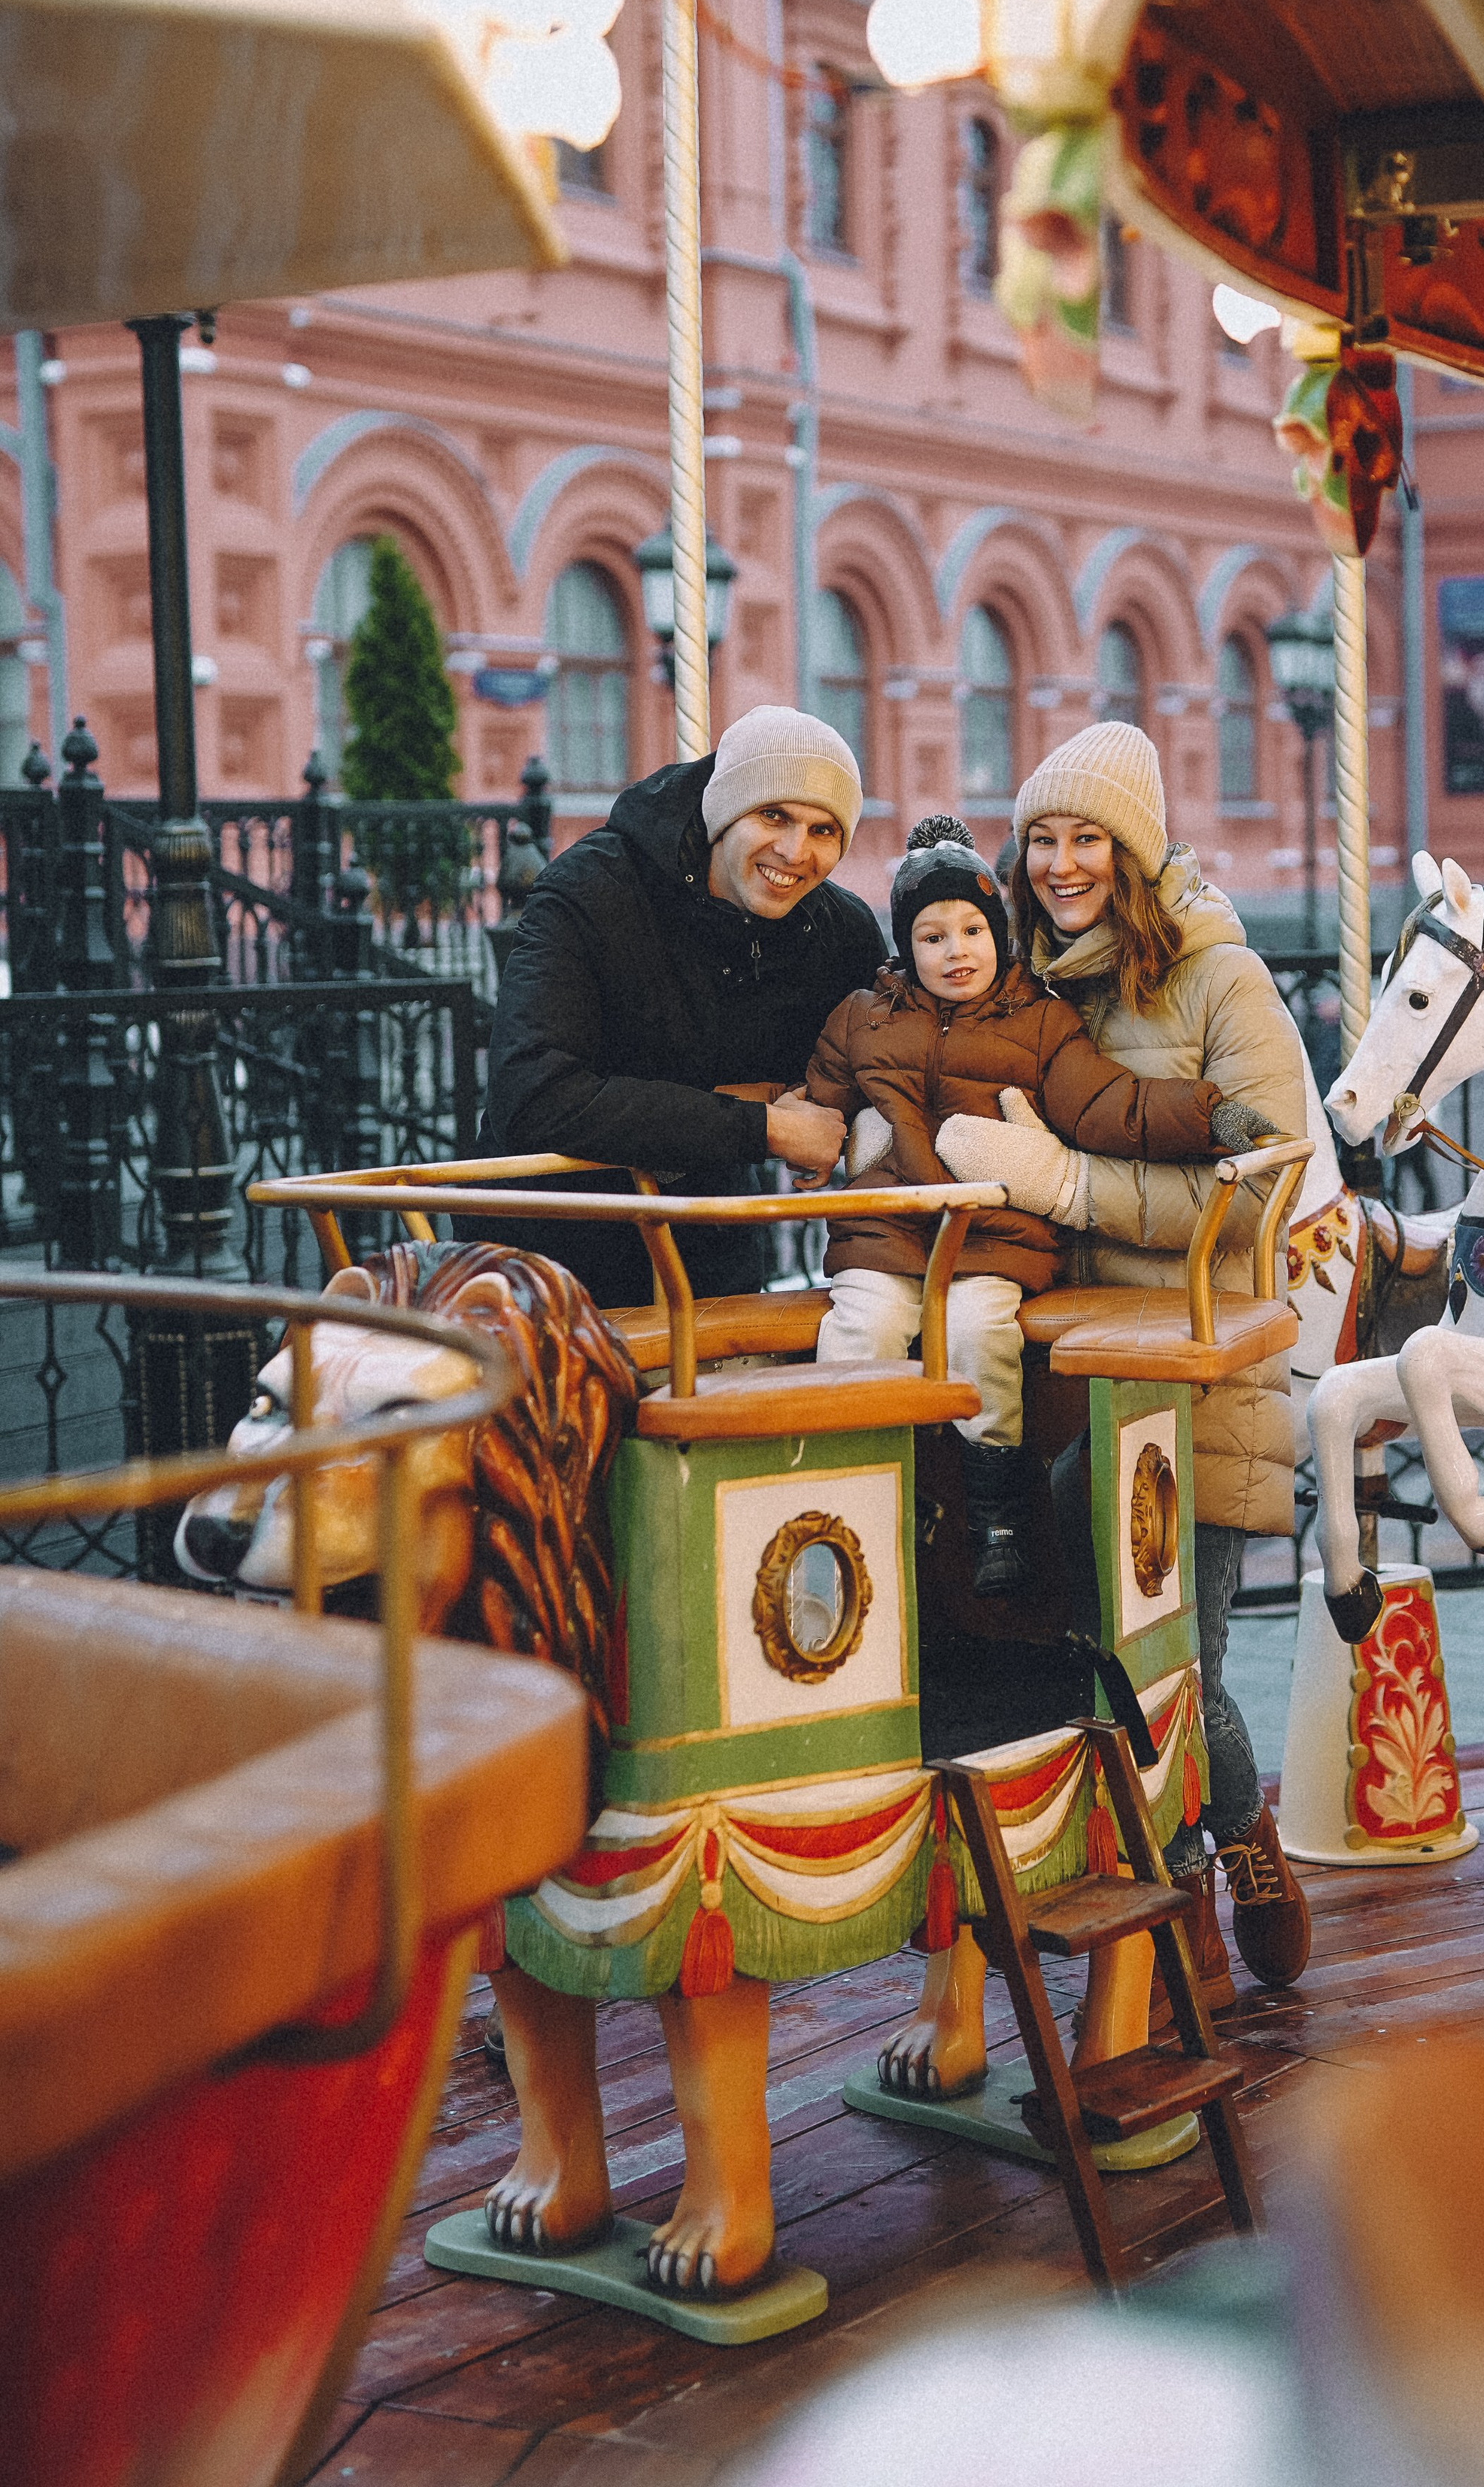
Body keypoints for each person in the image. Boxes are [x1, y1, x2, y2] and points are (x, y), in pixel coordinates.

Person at [936, 721, 1314, 2006]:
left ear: (1133, 853)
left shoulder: (1221, 983)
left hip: (1189, 1370)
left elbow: (1266, 1184)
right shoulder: (1018, 984)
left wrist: (1076, 1185)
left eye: (1086, 837)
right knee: (1083, 1648)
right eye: (1042, 837)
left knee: (1174, 1667)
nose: (1059, 864)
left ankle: (1233, 1848)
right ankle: (1157, 1891)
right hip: (1059, 1371)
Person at [802, 815, 1275, 1595]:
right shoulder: (864, 1016)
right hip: (886, 1229)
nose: (956, 952)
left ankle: (996, 1513)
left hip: (991, 1235)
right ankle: (848, 1498)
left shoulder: (1041, 1019)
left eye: (971, 931)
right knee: (859, 1328)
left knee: (980, 1331)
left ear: (998, 933)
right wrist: (819, 1137)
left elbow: (1106, 1104)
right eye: (931, 938)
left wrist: (1207, 1115)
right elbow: (817, 1093)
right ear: (904, 949)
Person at [477, 705, 883, 1307]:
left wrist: (824, 1106)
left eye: (824, 831)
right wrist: (764, 1123)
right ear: (726, 811)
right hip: (545, 1264)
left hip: (707, 1257)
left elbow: (886, 1061)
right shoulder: (593, 892)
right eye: (774, 815)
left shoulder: (835, 929)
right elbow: (534, 1095)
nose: (796, 852)